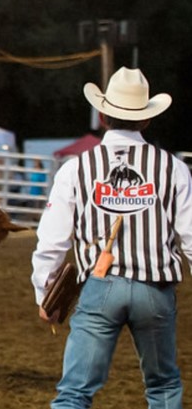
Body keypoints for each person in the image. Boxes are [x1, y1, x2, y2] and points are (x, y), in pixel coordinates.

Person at [32, 67, 192, 408]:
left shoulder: (76, 168)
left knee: (74, 392)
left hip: (101, 286)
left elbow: (52, 238)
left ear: (103, 116)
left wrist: (44, 293)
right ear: (146, 120)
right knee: (163, 386)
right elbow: (190, 235)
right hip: (155, 288)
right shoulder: (173, 168)